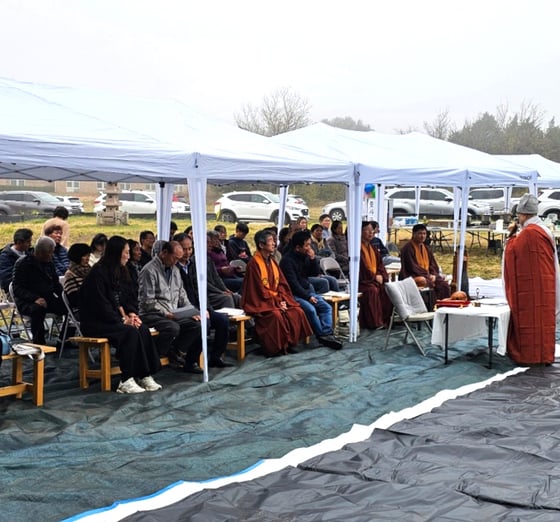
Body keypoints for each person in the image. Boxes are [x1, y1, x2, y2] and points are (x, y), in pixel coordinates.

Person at [79, 236, 162, 394]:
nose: (128, 256)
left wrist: (132, 314)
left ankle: (144, 374)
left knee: (142, 329)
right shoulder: (98, 273)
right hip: (98, 322)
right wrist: (121, 320)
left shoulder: (123, 271)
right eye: (126, 252)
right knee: (129, 332)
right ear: (117, 253)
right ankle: (126, 379)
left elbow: (130, 297)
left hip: (117, 319)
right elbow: (100, 305)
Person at [504, 194, 560, 365]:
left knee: (530, 321)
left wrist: (511, 237)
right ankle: (545, 355)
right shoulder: (544, 230)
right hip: (547, 284)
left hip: (530, 289)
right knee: (544, 322)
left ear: (523, 214)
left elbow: (513, 252)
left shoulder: (529, 234)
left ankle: (530, 356)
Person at [241, 229, 312, 357]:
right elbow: (257, 290)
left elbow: (282, 284)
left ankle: (289, 344)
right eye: (270, 241)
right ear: (261, 245)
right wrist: (277, 302)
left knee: (297, 311)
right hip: (261, 301)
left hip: (275, 298)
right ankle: (274, 348)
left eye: (274, 241)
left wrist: (283, 299)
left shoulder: (272, 261)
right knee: (276, 316)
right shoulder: (254, 264)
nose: (274, 243)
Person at [138, 240, 204, 374]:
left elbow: (182, 294)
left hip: (173, 311)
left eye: (178, 259)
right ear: (164, 253)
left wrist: (190, 310)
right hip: (152, 313)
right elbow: (147, 301)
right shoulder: (149, 270)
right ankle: (155, 356)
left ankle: (178, 352)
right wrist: (164, 313)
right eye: (174, 258)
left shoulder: (175, 270)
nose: (176, 262)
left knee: (199, 324)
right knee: (172, 327)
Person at [175, 233, 233, 368]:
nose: (187, 252)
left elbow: (201, 288)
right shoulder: (174, 267)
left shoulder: (194, 264)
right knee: (204, 324)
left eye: (190, 248)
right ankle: (191, 361)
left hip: (199, 306)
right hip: (183, 308)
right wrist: (191, 311)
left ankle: (216, 356)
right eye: (184, 249)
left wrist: (206, 308)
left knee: (222, 320)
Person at [280, 230, 342, 350]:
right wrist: (308, 297)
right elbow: (293, 284)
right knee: (311, 309)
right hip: (293, 294)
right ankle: (322, 335)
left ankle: (327, 333)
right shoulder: (287, 261)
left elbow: (314, 273)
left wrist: (313, 259)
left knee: (326, 307)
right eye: (307, 245)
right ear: (298, 247)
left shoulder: (304, 256)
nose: (309, 247)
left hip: (306, 289)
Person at [12, 236, 66, 345]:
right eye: (50, 253)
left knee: (70, 307)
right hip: (27, 301)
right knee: (38, 309)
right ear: (41, 253)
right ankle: (39, 343)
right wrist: (35, 298)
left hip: (47, 297)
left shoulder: (49, 263)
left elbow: (56, 283)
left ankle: (65, 338)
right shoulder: (23, 263)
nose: (52, 256)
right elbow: (17, 288)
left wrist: (64, 297)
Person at [399, 223, 451, 301]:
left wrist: (433, 274)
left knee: (444, 285)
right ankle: (431, 306)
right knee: (428, 284)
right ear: (413, 234)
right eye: (420, 233)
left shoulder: (426, 248)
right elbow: (412, 267)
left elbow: (432, 265)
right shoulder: (408, 248)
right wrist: (428, 275)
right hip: (412, 275)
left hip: (427, 275)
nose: (422, 236)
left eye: (424, 234)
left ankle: (442, 305)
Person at [359, 221, 393, 329]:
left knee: (387, 289)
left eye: (372, 231)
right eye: (368, 231)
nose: (371, 233)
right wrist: (374, 277)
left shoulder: (373, 248)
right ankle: (375, 322)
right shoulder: (356, 249)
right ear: (360, 232)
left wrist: (381, 275)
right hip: (363, 281)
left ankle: (386, 320)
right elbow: (362, 268)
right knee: (372, 290)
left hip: (374, 280)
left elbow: (380, 265)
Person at [0, 228, 33, 293]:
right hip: (15, 291)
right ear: (19, 242)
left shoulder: (29, 253)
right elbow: (6, 281)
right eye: (28, 242)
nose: (30, 244)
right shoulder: (5, 257)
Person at [62, 243, 91, 310]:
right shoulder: (70, 274)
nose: (87, 258)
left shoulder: (90, 270)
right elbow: (74, 299)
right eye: (85, 256)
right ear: (77, 256)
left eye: (88, 255)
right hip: (82, 309)